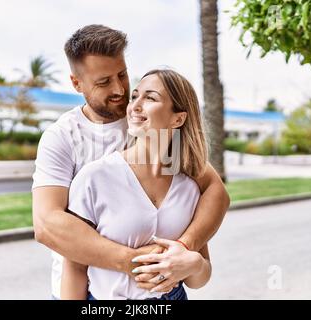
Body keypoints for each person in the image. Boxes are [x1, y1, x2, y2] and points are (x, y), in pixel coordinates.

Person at [32, 25, 230, 300]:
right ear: (77, 83)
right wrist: (134, 261)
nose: (119, 90)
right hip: (92, 292)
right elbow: (47, 225)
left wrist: (185, 249)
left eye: (122, 75)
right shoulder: (64, 138)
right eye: (103, 82)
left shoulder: (154, 129)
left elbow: (212, 190)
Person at [61, 69, 212, 300]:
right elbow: (74, 268)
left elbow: (197, 279)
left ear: (178, 118)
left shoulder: (190, 188)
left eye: (150, 98)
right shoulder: (94, 177)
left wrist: (195, 264)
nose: (134, 106)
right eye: (134, 96)